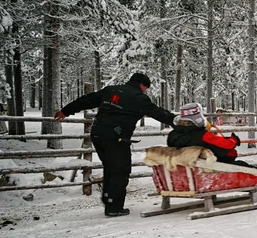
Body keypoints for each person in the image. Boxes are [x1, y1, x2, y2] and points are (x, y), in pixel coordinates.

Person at [54, 73, 176, 217]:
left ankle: (108, 199)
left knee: (110, 167)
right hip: (116, 137)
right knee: (120, 170)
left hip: (98, 134)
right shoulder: (139, 98)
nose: (145, 91)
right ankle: (114, 207)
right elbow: (159, 113)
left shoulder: (110, 90)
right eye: (146, 88)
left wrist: (65, 110)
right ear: (141, 85)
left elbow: (87, 100)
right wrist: (178, 121)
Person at [167, 103, 255, 167]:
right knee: (241, 165)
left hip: (187, 169)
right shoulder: (203, 135)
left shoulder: (172, 135)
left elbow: (211, 143)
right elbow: (225, 146)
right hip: (207, 169)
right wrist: (234, 140)